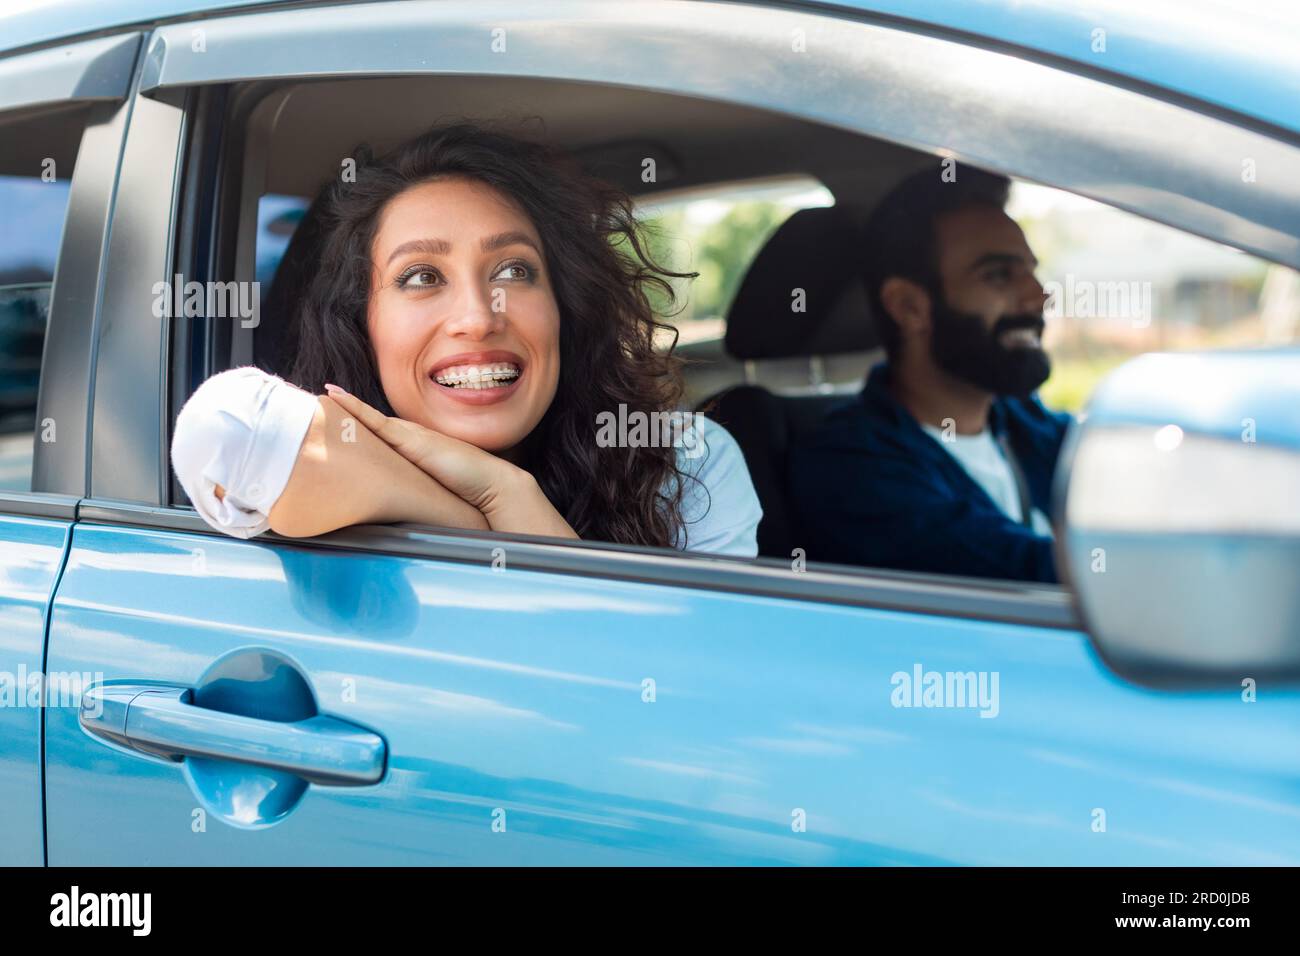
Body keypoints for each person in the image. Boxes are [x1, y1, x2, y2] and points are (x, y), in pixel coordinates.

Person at [171, 124, 761, 556]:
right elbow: (221, 426)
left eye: (513, 270)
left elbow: (674, 685)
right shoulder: (313, 441)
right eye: (422, 277)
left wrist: (509, 496)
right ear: (361, 323)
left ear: (564, 305)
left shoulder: (682, 464)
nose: (479, 317)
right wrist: (484, 510)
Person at [788, 165, 1070, 582]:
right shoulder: (850, 467)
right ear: (908, 306)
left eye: (1031, 270)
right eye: (998, 275)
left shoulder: (1025, 422)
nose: (1038, 295)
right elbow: (1020, 575)